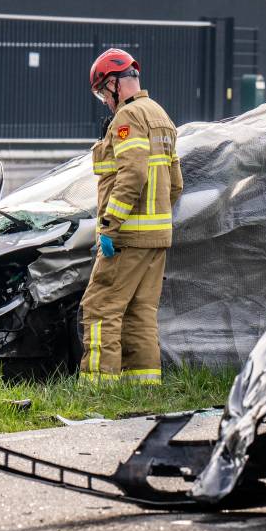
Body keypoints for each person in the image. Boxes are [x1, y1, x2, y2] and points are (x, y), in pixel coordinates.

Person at [80, 48, 183, 385]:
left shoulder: (128, 117)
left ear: (113, 84)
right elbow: (175, 185)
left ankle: (98, 386)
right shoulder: (161, 116)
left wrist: (110, 225)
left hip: (127, 237)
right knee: (141, 314)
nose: (104, 102)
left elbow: (133, 174)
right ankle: (144, 388)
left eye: (101, 93)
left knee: (100, 308)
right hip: (157, 237)